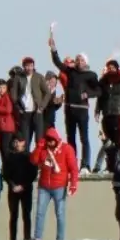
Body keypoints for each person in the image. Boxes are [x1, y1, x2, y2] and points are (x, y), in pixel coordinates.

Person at [49, 32, 100, 170]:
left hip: (82, 109)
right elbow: (58, 63)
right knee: (71, 138)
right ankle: (72, 164)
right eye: (77, 59)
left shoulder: (91, 75)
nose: (78, 62)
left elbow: (99, 90)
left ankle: (85, 165)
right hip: (69, 108)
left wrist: (87, 94)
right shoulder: (71, 72)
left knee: (84, 138)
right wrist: (53, 49)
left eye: (81, 60)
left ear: (86, 61)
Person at [30, 127, 78, 240]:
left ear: (56, 140)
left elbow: (73, 168)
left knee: (60, 214)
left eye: (51, 140)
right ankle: (38, 237)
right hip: (44, 186)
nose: (50, 143)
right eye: (48, 140)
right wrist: (38, 147)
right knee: (40, 212)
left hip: (59, 186)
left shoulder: (66, 149)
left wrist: (73, 184)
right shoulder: (44, 149)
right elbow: (34, 160)